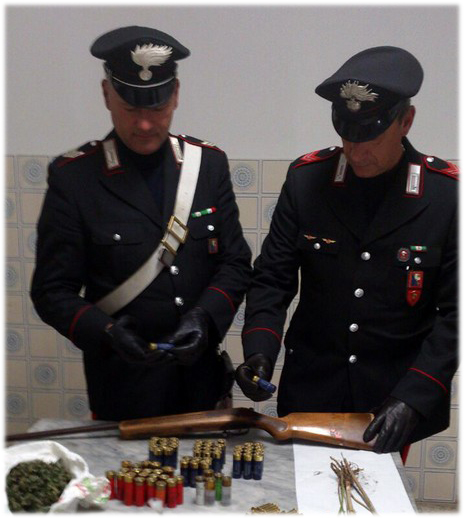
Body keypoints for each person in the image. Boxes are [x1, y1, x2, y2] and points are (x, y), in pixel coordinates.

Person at [235, 46, 458, 455]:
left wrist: (414, 396)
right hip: (310, 389)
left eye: (370, 136)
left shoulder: (444, 196)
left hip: (389, 400)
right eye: (347, 134)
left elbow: (455, 314)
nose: (355, 150)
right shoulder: (307, 180)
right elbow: (273, 279)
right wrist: (259, 351)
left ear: (406, 121)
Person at [31, 26, 252, 421]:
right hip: (123, 389)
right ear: (106, 95)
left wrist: (205, 317)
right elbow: (51, 291)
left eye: (157, 107)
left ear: (176, 94)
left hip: (201, 385)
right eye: (132, 109)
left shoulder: (207, 165)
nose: (146, 124)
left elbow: (235, 262)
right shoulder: (75, 178)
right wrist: (106, 333)